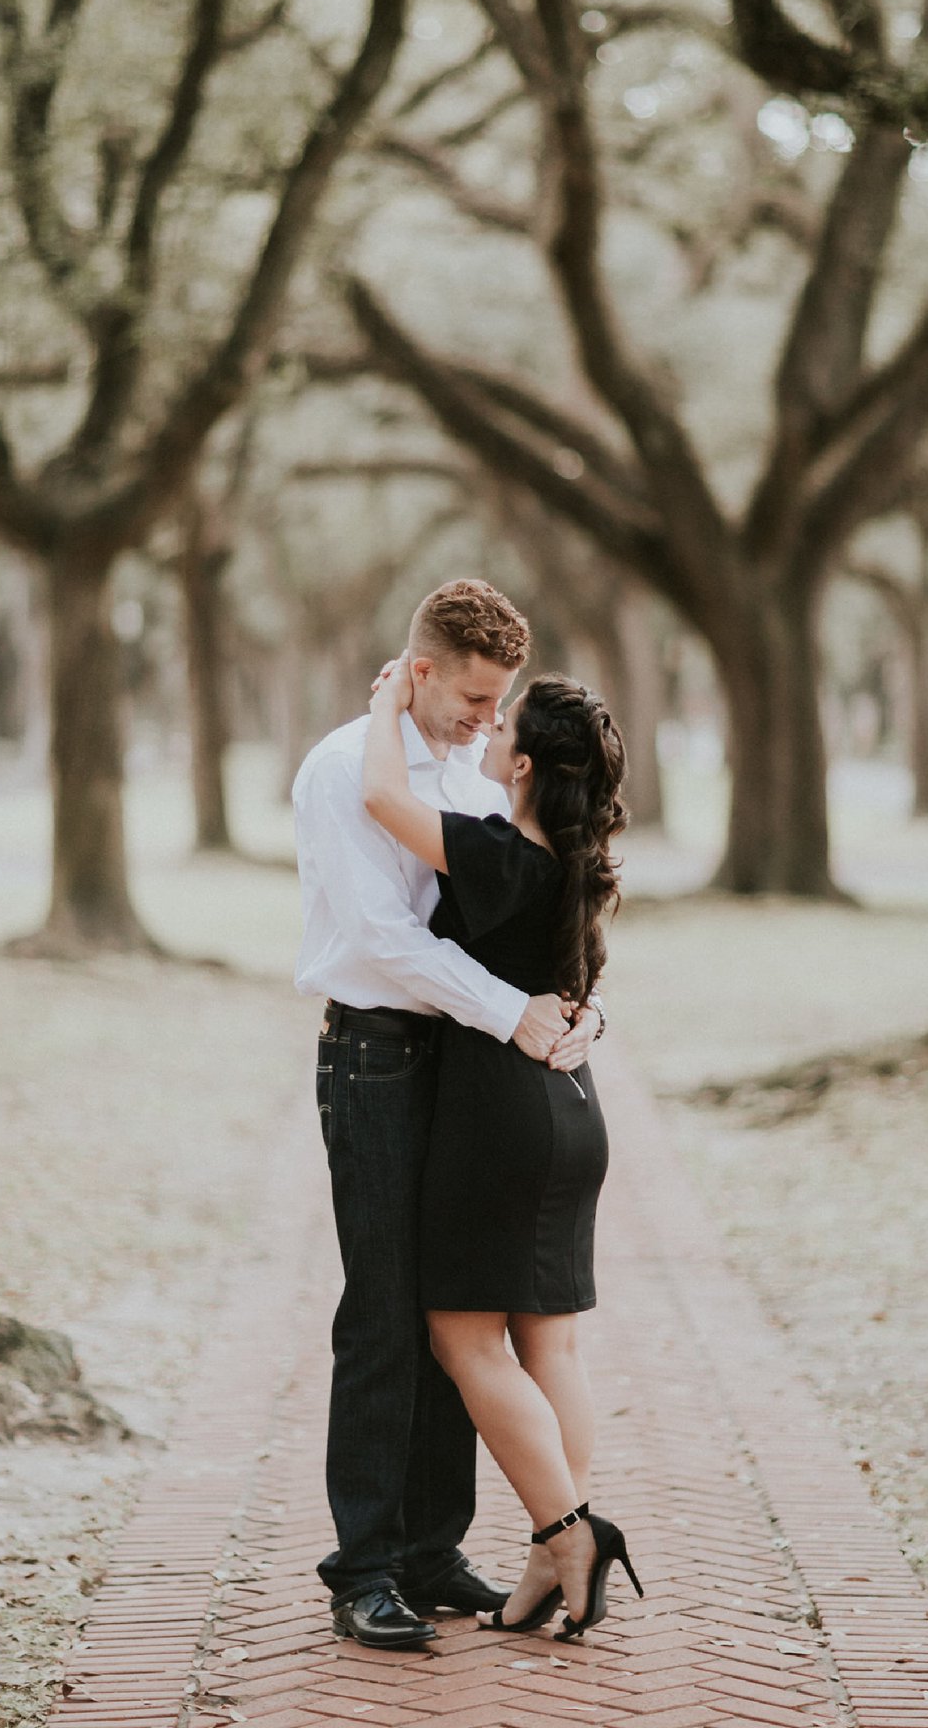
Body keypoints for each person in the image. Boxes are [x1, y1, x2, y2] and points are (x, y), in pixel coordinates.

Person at [292, 580, 601, 1650]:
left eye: (498, 701)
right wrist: (517, 1013)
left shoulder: (470, 771)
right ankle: (365, 1566)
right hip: (377, 1056)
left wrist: (566, 1012)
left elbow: (512, 909)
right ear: (419, 669)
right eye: (473, 694)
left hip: (462, 1068)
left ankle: (432, 1547)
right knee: (383, 1313)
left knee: (452, 1310)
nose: (485, 717)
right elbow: (386, 943)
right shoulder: (344, 769)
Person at [362, 650, 643, 1640]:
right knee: (549, 1344)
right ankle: (547, 1564)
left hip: (498, 1118)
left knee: (464, 1339)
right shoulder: (577, 862)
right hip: (572, 1109)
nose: (489, 728)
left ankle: (571, 1530)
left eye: (502, 719)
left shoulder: (494, 848)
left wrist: (388, 699)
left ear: (524, 763)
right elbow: (578, 990)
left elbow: (380, 795)